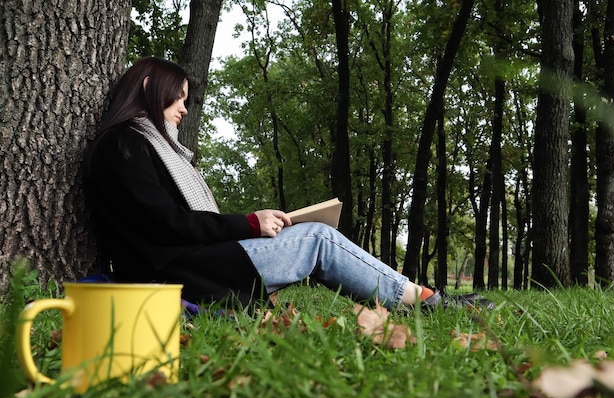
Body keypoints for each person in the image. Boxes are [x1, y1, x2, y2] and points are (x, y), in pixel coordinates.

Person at [84, 56, 441, 312]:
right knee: (317, 237)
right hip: (174, 272)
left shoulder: (144, 145)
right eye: (177, 97)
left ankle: (415, 294)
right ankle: (420, 299)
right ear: (149, 87)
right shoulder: (124, 144)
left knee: (312, 234)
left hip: (185, 263)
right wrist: (249, 223)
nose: (184, 108)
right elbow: (165, 222)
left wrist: (248, 227)